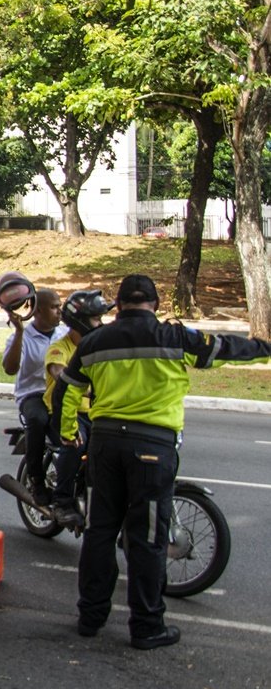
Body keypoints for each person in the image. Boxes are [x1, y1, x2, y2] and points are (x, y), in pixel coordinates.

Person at [58, 274, 271, 650]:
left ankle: (90, 617)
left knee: (99, 532)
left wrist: (67, 432)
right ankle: (146, 627)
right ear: (155, 305)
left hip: (105, 446)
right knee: (148, 539)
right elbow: (224, 348)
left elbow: (67, 388)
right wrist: (263, 347)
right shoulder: (176, 338)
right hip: (152, 449)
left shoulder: (93, 342)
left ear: (119, 306)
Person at [43, 289, 112, 528]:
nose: (101, 324)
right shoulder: (59, 349)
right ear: (80, 322)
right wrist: (88, 388)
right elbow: (60, 374)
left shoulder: (99, 350)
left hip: (96, 412)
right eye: (96, 319)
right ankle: (62, 500)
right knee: (74, 445)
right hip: (64, 412)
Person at [2, 287, 67, 506]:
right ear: (38, 311)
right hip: (34, 395)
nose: (59, 311)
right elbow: (10, 369)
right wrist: (19, 332)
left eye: (60, 306)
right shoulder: (23, 337)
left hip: (60, 394)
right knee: (38, 420)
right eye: (54, 307)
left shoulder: (64, 334)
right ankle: (37, 481)